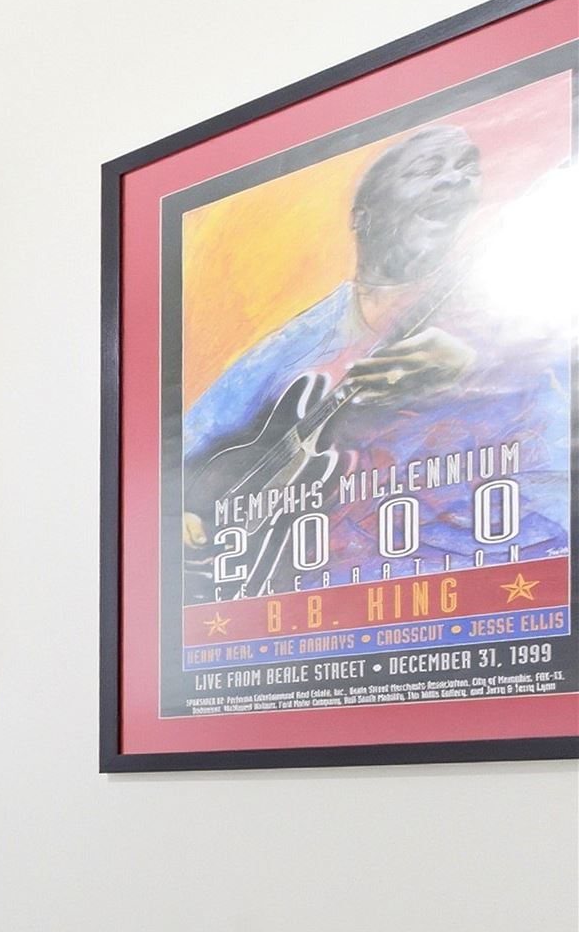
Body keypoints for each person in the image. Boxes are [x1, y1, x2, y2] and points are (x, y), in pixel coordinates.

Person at [182, 123, 570, 593]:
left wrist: (477, 364)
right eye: (428, 169)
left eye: (466, 167)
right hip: (337, 593)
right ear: (363, 217)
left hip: (512, 569)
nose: (454, 179)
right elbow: (186, 448)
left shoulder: (515, 307)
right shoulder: (303, 337)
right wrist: (181, 511)